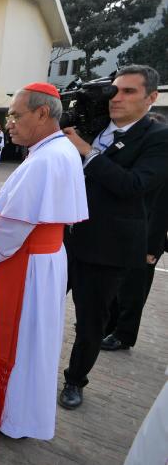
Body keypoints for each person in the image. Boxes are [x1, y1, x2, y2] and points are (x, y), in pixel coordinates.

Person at [0, 82, 88, 440]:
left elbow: (9, 233)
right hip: (40, 263)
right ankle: (20, 414)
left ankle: (10, 416)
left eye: (15, 115)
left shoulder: (46, 158)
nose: (9, 123)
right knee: (33, 344)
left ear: (42, 113)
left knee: (21, 344)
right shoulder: (56, 151)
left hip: (24, 266)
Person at [59, 64, 168, 410]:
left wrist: (85, 150)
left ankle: (75, 381)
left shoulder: (157, 137)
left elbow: (133, 185)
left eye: (129, 92)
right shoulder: (94, 125)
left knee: (90, 323)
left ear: (152, 98)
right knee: (37, 304)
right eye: (115, 90)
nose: (116, 98)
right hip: (63, 240)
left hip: (107, 249)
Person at [102, 111, 168, 351]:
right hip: (131, 233)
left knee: (133, 291)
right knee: (119, 284)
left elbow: (161, 211)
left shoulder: (160, 164)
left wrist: (152, 247)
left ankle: (124, 334)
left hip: (148, 239)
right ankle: (109, 326)